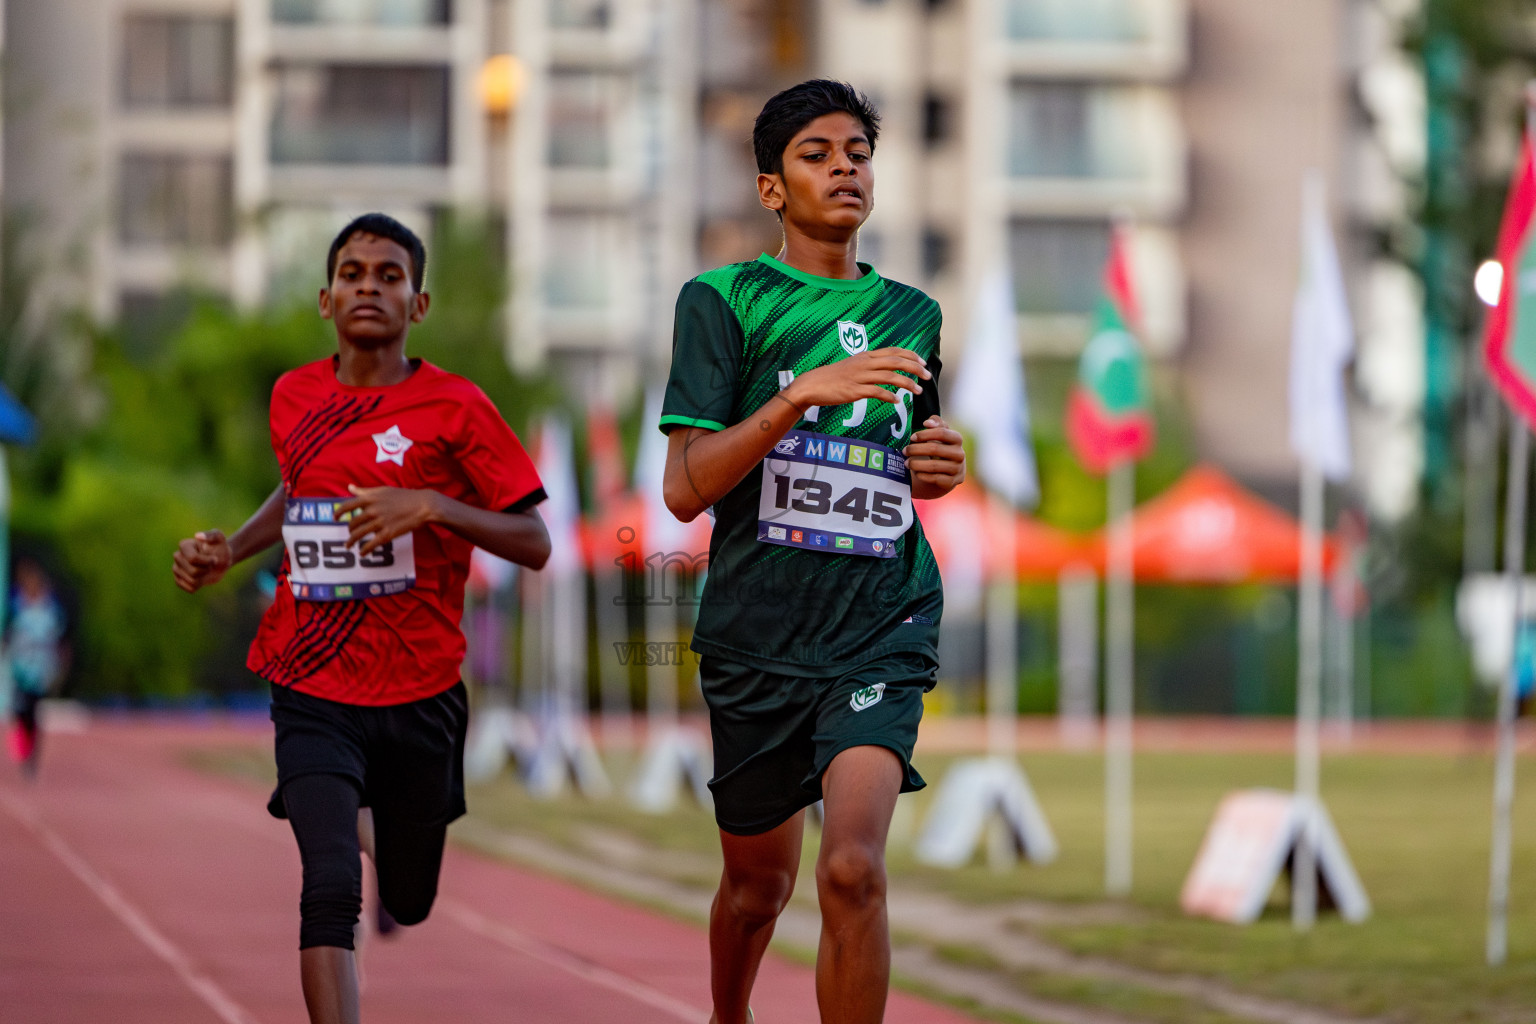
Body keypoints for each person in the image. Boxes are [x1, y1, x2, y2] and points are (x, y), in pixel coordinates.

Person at [173, 213, 550, 1024]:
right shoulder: (293, 397)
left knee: (408, 900)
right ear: (325, 297)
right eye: (353, 273)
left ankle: (383, 836)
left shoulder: (458, 407)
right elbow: (298, 489)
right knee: (329, 887)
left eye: (389, 275)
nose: (369, 286)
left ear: (418, 304)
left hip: (421, 693)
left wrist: (433, 506)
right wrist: (229, 550)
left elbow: (536, 541)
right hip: (310, 681)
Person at [659, 81, 968, 1024]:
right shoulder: (725, 301)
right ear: (770, 188)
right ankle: (729, 1015)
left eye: (858, 152)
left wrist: (940, 463)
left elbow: (909, 455)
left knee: (852, 869)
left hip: (882, 621)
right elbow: (684, 487)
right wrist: (798, 395)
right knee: (758, 889)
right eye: (816, 153)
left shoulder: (914, 315)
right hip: (758, 631)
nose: (844, 166)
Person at [6, 558, 67, 779]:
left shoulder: (49, 609)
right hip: (20, 667)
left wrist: (59, 666)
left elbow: (60, 639)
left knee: (34, 713)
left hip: (40, 670)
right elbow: (8, 632)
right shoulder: (16, 604)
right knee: (19, 711)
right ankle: (22, 746)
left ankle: (30, 756)